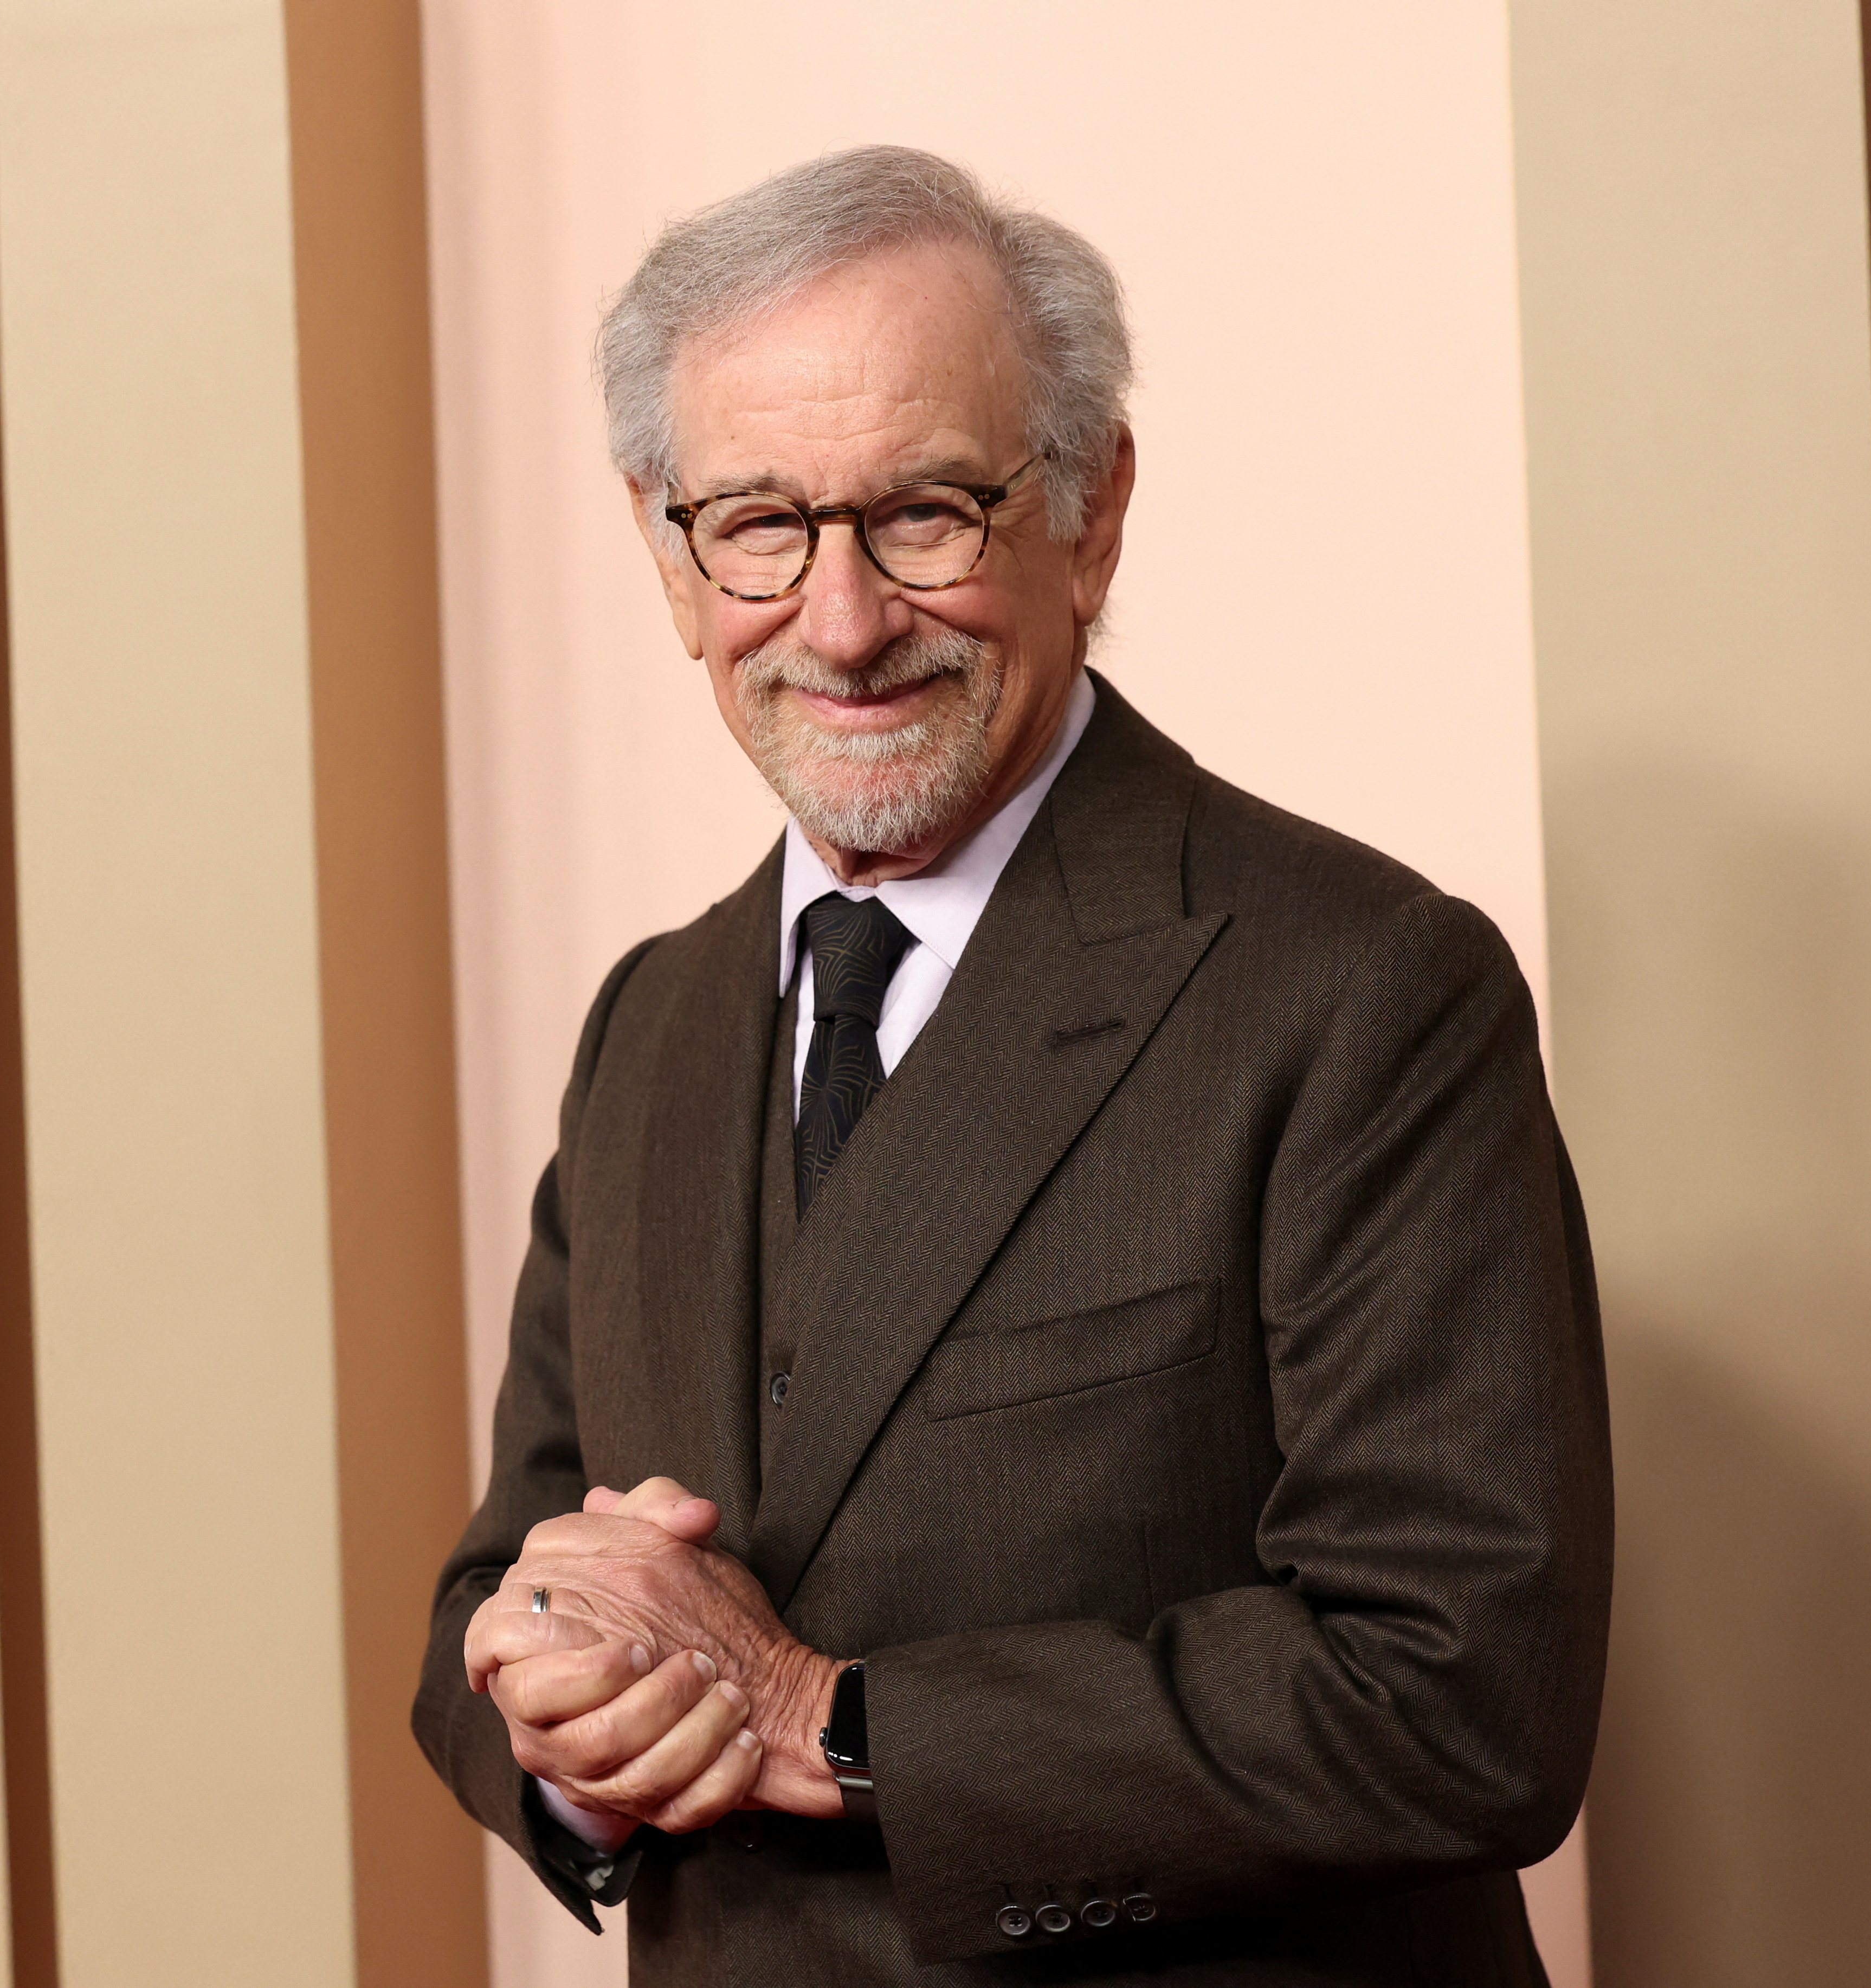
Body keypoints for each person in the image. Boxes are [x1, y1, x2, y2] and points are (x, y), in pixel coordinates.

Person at [412, 145, 1610, 1984]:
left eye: (924, 512)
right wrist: (561, 1707)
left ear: (1091, 511)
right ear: (667, 550)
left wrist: (827, 1713)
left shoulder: (1364, 986)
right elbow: (498, 1583)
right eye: (756, 522)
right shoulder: (649, 1022)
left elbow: (1458, 1693)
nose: (840, 619)